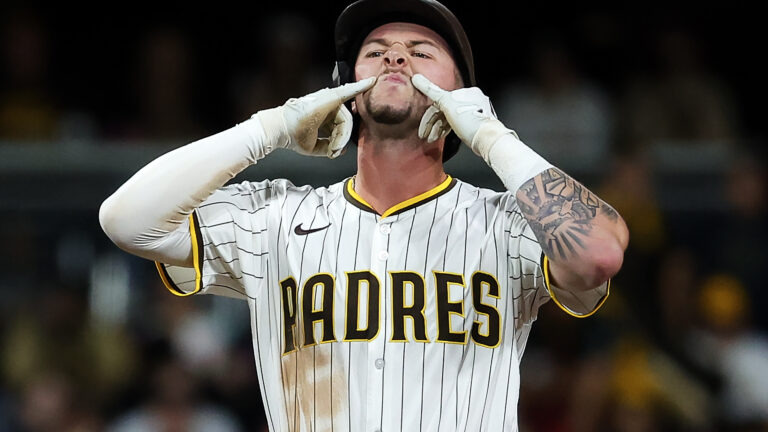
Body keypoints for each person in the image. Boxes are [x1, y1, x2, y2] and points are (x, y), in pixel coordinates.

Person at [99, 1, 628, 430]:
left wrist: (492, 136)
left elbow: (599, 254)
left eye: (421, 52)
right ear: (344, 89)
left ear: (462, 97)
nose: (396, 58)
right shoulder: (276, 215)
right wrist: (268, 129)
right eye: (376, 52)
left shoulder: (507, 222)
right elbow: (126, 220)